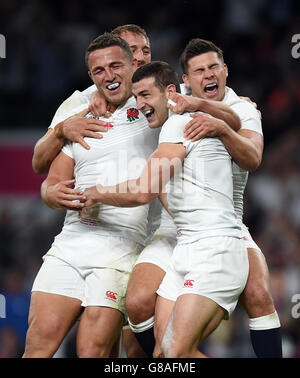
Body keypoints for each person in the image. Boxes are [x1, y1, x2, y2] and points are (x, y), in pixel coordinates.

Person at [83, 39, 282, 358]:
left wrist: (220, 127)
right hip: (181, 235)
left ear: (225, 70)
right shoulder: (179, 112)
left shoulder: (234, 111)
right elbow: (142, 88)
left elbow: (251, 156)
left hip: (220, 233)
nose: (208, 75)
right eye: (199, 70)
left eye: (213, 67)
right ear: (185, 82)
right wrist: (91, 101)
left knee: (256, 293)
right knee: (152, 330)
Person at [23, 32, 160, 358]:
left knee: (93, 350)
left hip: (123, 246)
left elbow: (201, 91)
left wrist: (238, 104)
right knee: (38, 343)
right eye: (101, 70)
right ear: (91, 75)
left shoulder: (154, 102)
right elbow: (47, 175)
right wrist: (51, 194)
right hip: (72, 243)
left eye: (119, 65)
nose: (109, 75)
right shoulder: (78, 112)